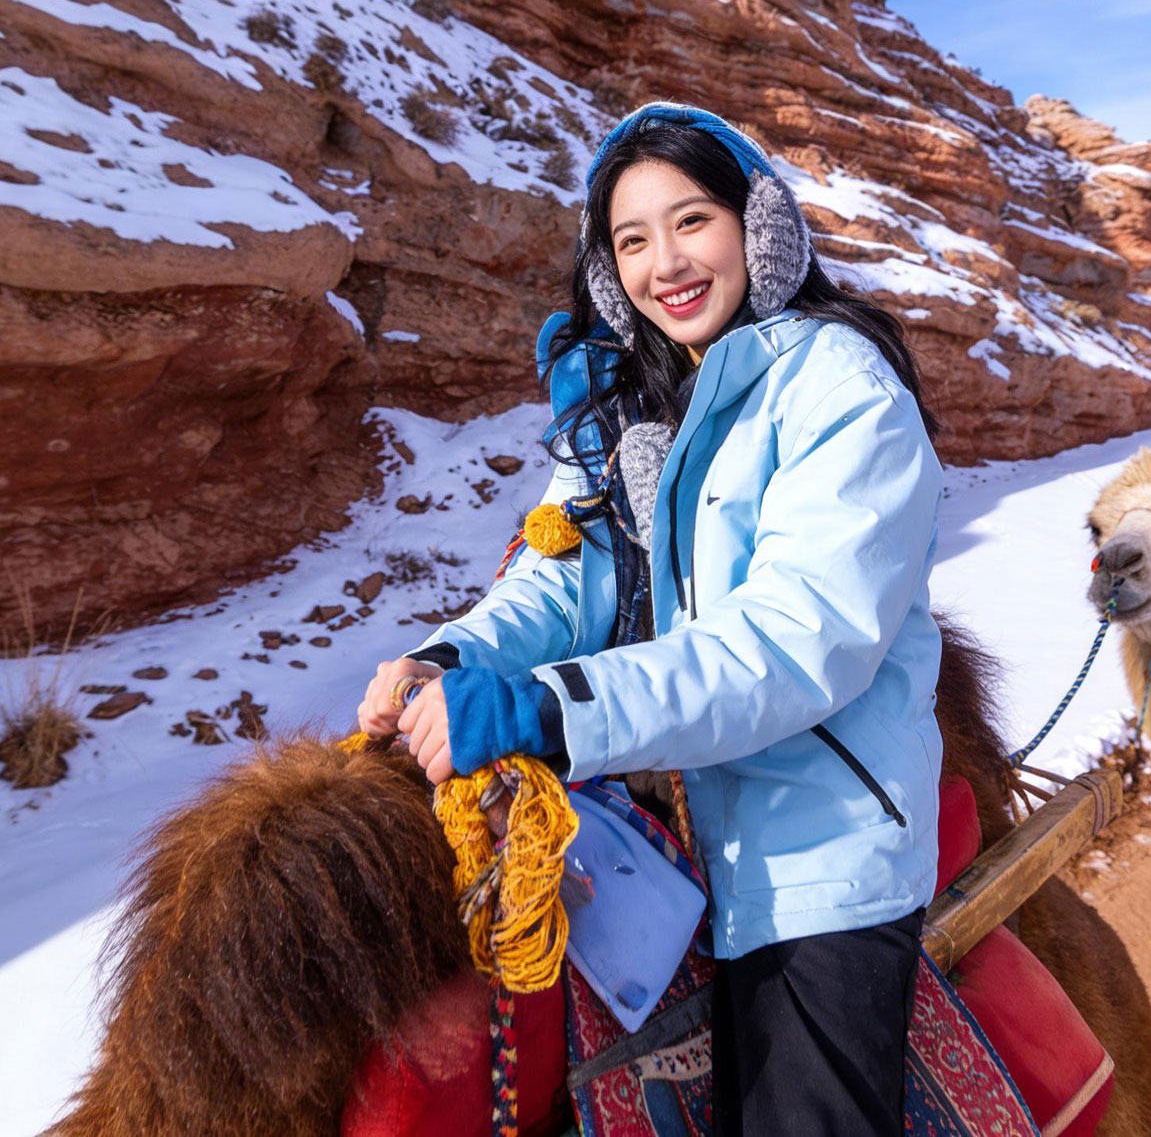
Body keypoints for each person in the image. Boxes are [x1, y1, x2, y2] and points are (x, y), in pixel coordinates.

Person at [355, 102, 946, 1136]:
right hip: (673, 835)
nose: (663, 262)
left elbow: (789, 644)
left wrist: (546, 710)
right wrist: (450, 656)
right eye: (630, 240)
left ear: (756, 227)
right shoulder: (630, 407)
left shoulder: (839, 389)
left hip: (816, 853)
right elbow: (560, 576)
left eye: (690, 222)